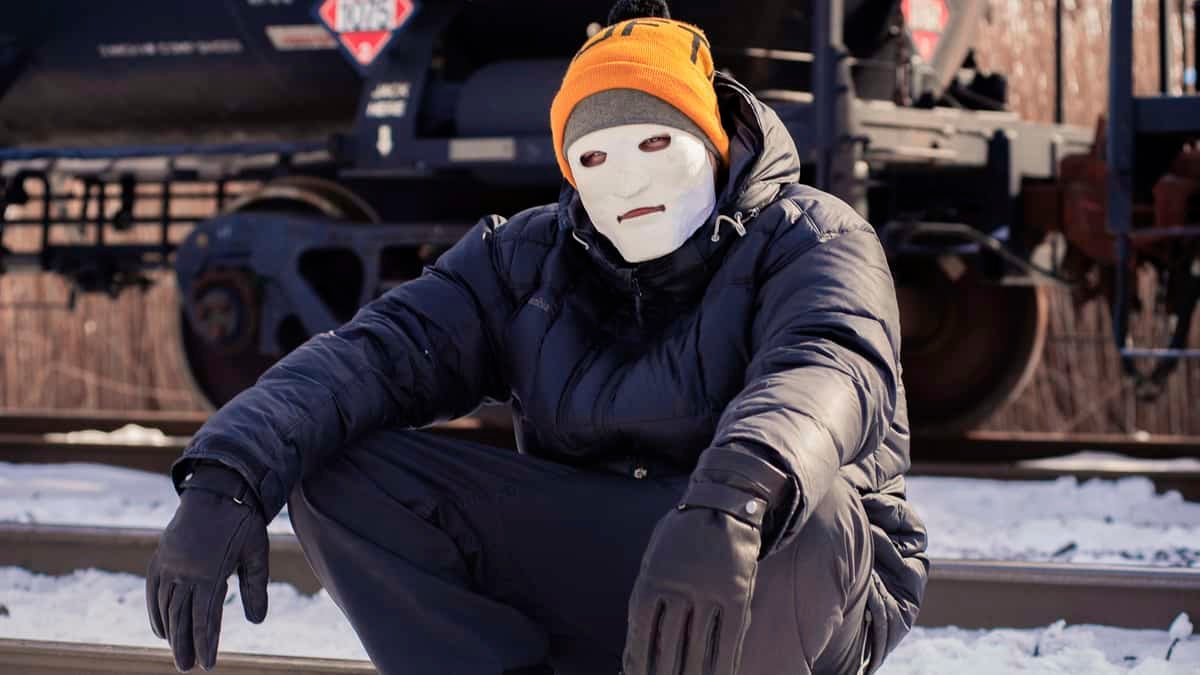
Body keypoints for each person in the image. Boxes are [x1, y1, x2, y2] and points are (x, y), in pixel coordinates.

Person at [146, 1, 928, 673]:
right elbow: (375, 351)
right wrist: (230, 470)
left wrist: (732, 501)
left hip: (792, 563)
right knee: (336, 468)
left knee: (812, 507)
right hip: (614, 547)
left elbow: (828, 365)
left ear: (714, 137)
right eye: (594, 156)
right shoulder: (525, 256)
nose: (627, 180)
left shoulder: (813, 235)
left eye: (656, 142)